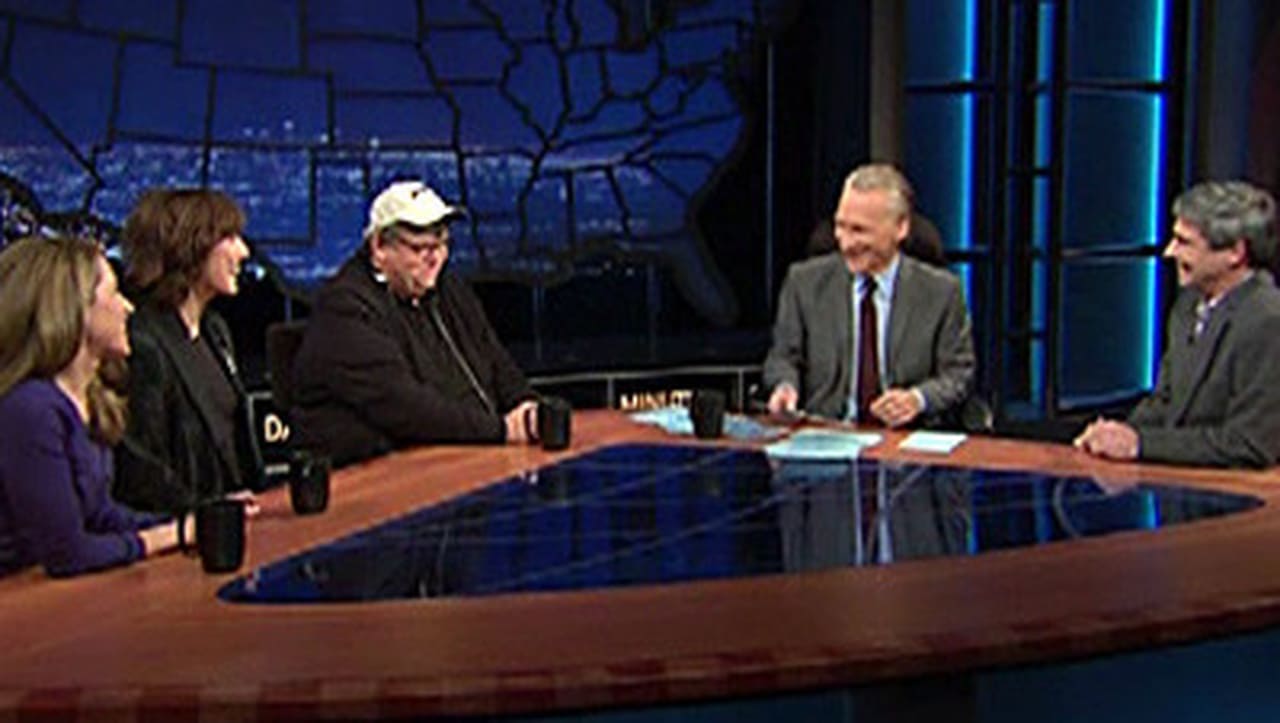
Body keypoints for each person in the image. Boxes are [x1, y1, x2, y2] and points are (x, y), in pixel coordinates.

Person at [290, 180, 539, 466]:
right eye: (420, 248)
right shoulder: (344, 308)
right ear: (379, 246)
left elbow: (498, 365)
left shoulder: (449, 291)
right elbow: (406, 407)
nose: (435, 259)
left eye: (442, 244)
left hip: (460, 458)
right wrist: (501, 430)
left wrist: (529, 411)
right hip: (374, 473)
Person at [0, 235, 187, 577]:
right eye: (113, 293)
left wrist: (191, 521)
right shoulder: (30, 409)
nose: (128, 307)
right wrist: (168, 537)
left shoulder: (92, 398)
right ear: (74, 309)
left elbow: (100, 515)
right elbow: (67, 552)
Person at [1075, 180, 1280, 468]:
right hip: (1178, 483)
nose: (1169, 252)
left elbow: (1248, 444)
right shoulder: (1187, 306)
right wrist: (1115, 435)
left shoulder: (1268, 319)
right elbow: (1165, 403)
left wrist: (1140, 444)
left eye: (1184, 243)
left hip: (1239, 489)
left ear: (1235, 253)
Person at [763, 163, 976, 427]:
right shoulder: (804, 283)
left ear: (900, 228)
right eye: (840, 226)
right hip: (827, 433)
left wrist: (918, 399)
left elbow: (958, 374)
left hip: (907, 437)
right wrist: (785, 386)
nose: (845, 243)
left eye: (859, 230)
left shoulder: (941, 293)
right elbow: (783, 357)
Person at [112, 189, 263, 513]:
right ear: (191, 246)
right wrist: (206, 511)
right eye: (229, 238)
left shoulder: (215, 331)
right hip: (191, 527)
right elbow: (143, 472)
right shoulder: (143, 343)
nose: (244, 252)